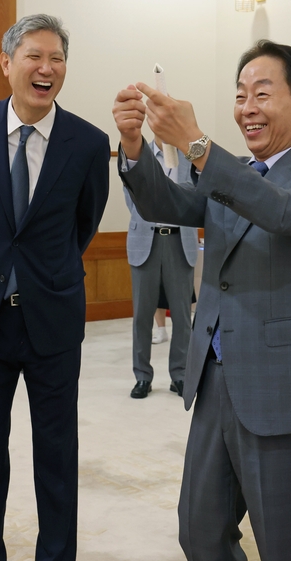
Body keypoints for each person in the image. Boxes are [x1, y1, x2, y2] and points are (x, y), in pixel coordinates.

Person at [113, 39, 291, 560]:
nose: (247, 107)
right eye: (240, 94)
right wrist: (134, 145)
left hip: (286, 391)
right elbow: (166, 202)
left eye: (262, 94)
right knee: (198, 533)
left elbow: (284, 213)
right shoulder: (238, 177)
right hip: (217, 381)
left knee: (288, 546)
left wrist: (198, 144)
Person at [0, 13, 110, 561]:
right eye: (34, 57)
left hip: (53, 320)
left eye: (56, 59)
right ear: (6, 63)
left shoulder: (89, 142)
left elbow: (83, 225)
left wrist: (45, 271)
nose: (46, 68)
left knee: (57, 455)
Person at [124, 143, 198, 399]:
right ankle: (142, 376)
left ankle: (179, 374)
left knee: (182, 315)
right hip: (146, 239)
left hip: (180, 239)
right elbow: (130, 196)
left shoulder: (189, 157)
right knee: (142, 315)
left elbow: (198, 193)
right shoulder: (138, 153)